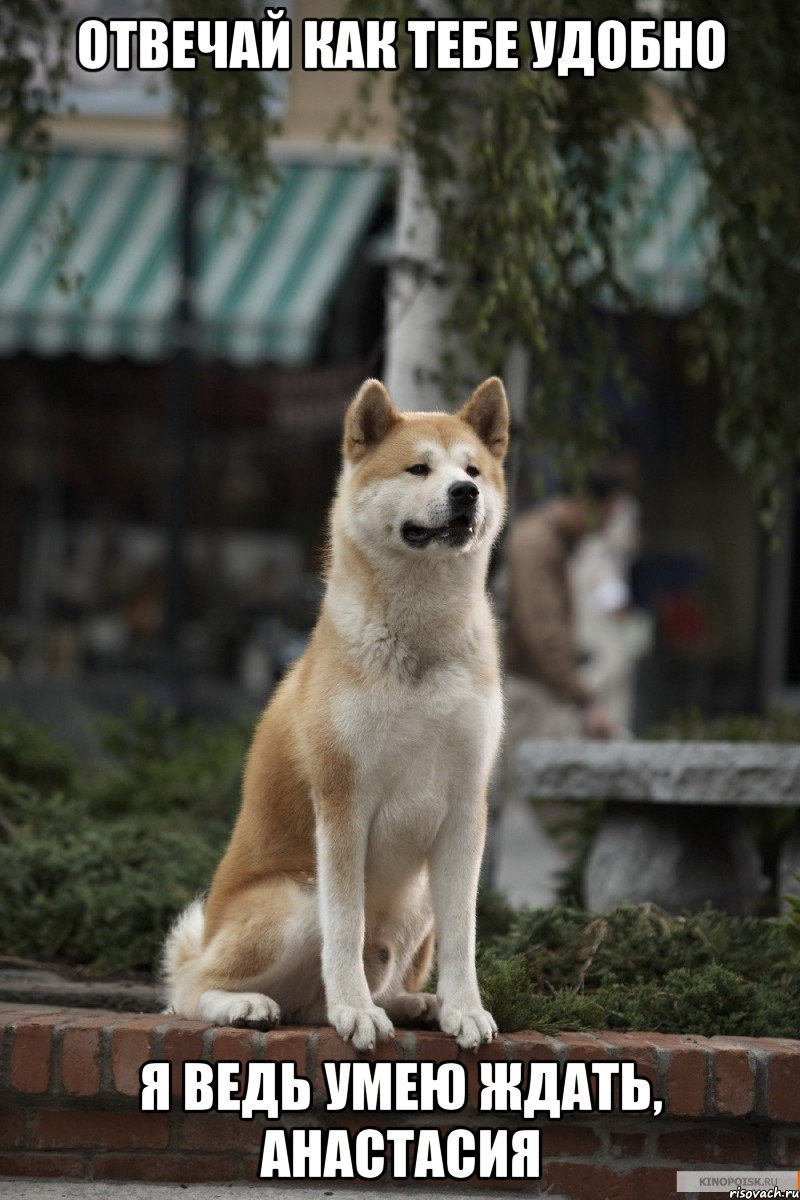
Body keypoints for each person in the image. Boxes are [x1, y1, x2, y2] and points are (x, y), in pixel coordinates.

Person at [504, 470, 627, 743]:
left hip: (537, 687)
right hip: (527, 691)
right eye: (606, 515)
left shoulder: (551, 541)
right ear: (586, 502)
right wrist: (583, 701)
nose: (605, 527)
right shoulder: (538, 544)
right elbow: (542, 630)